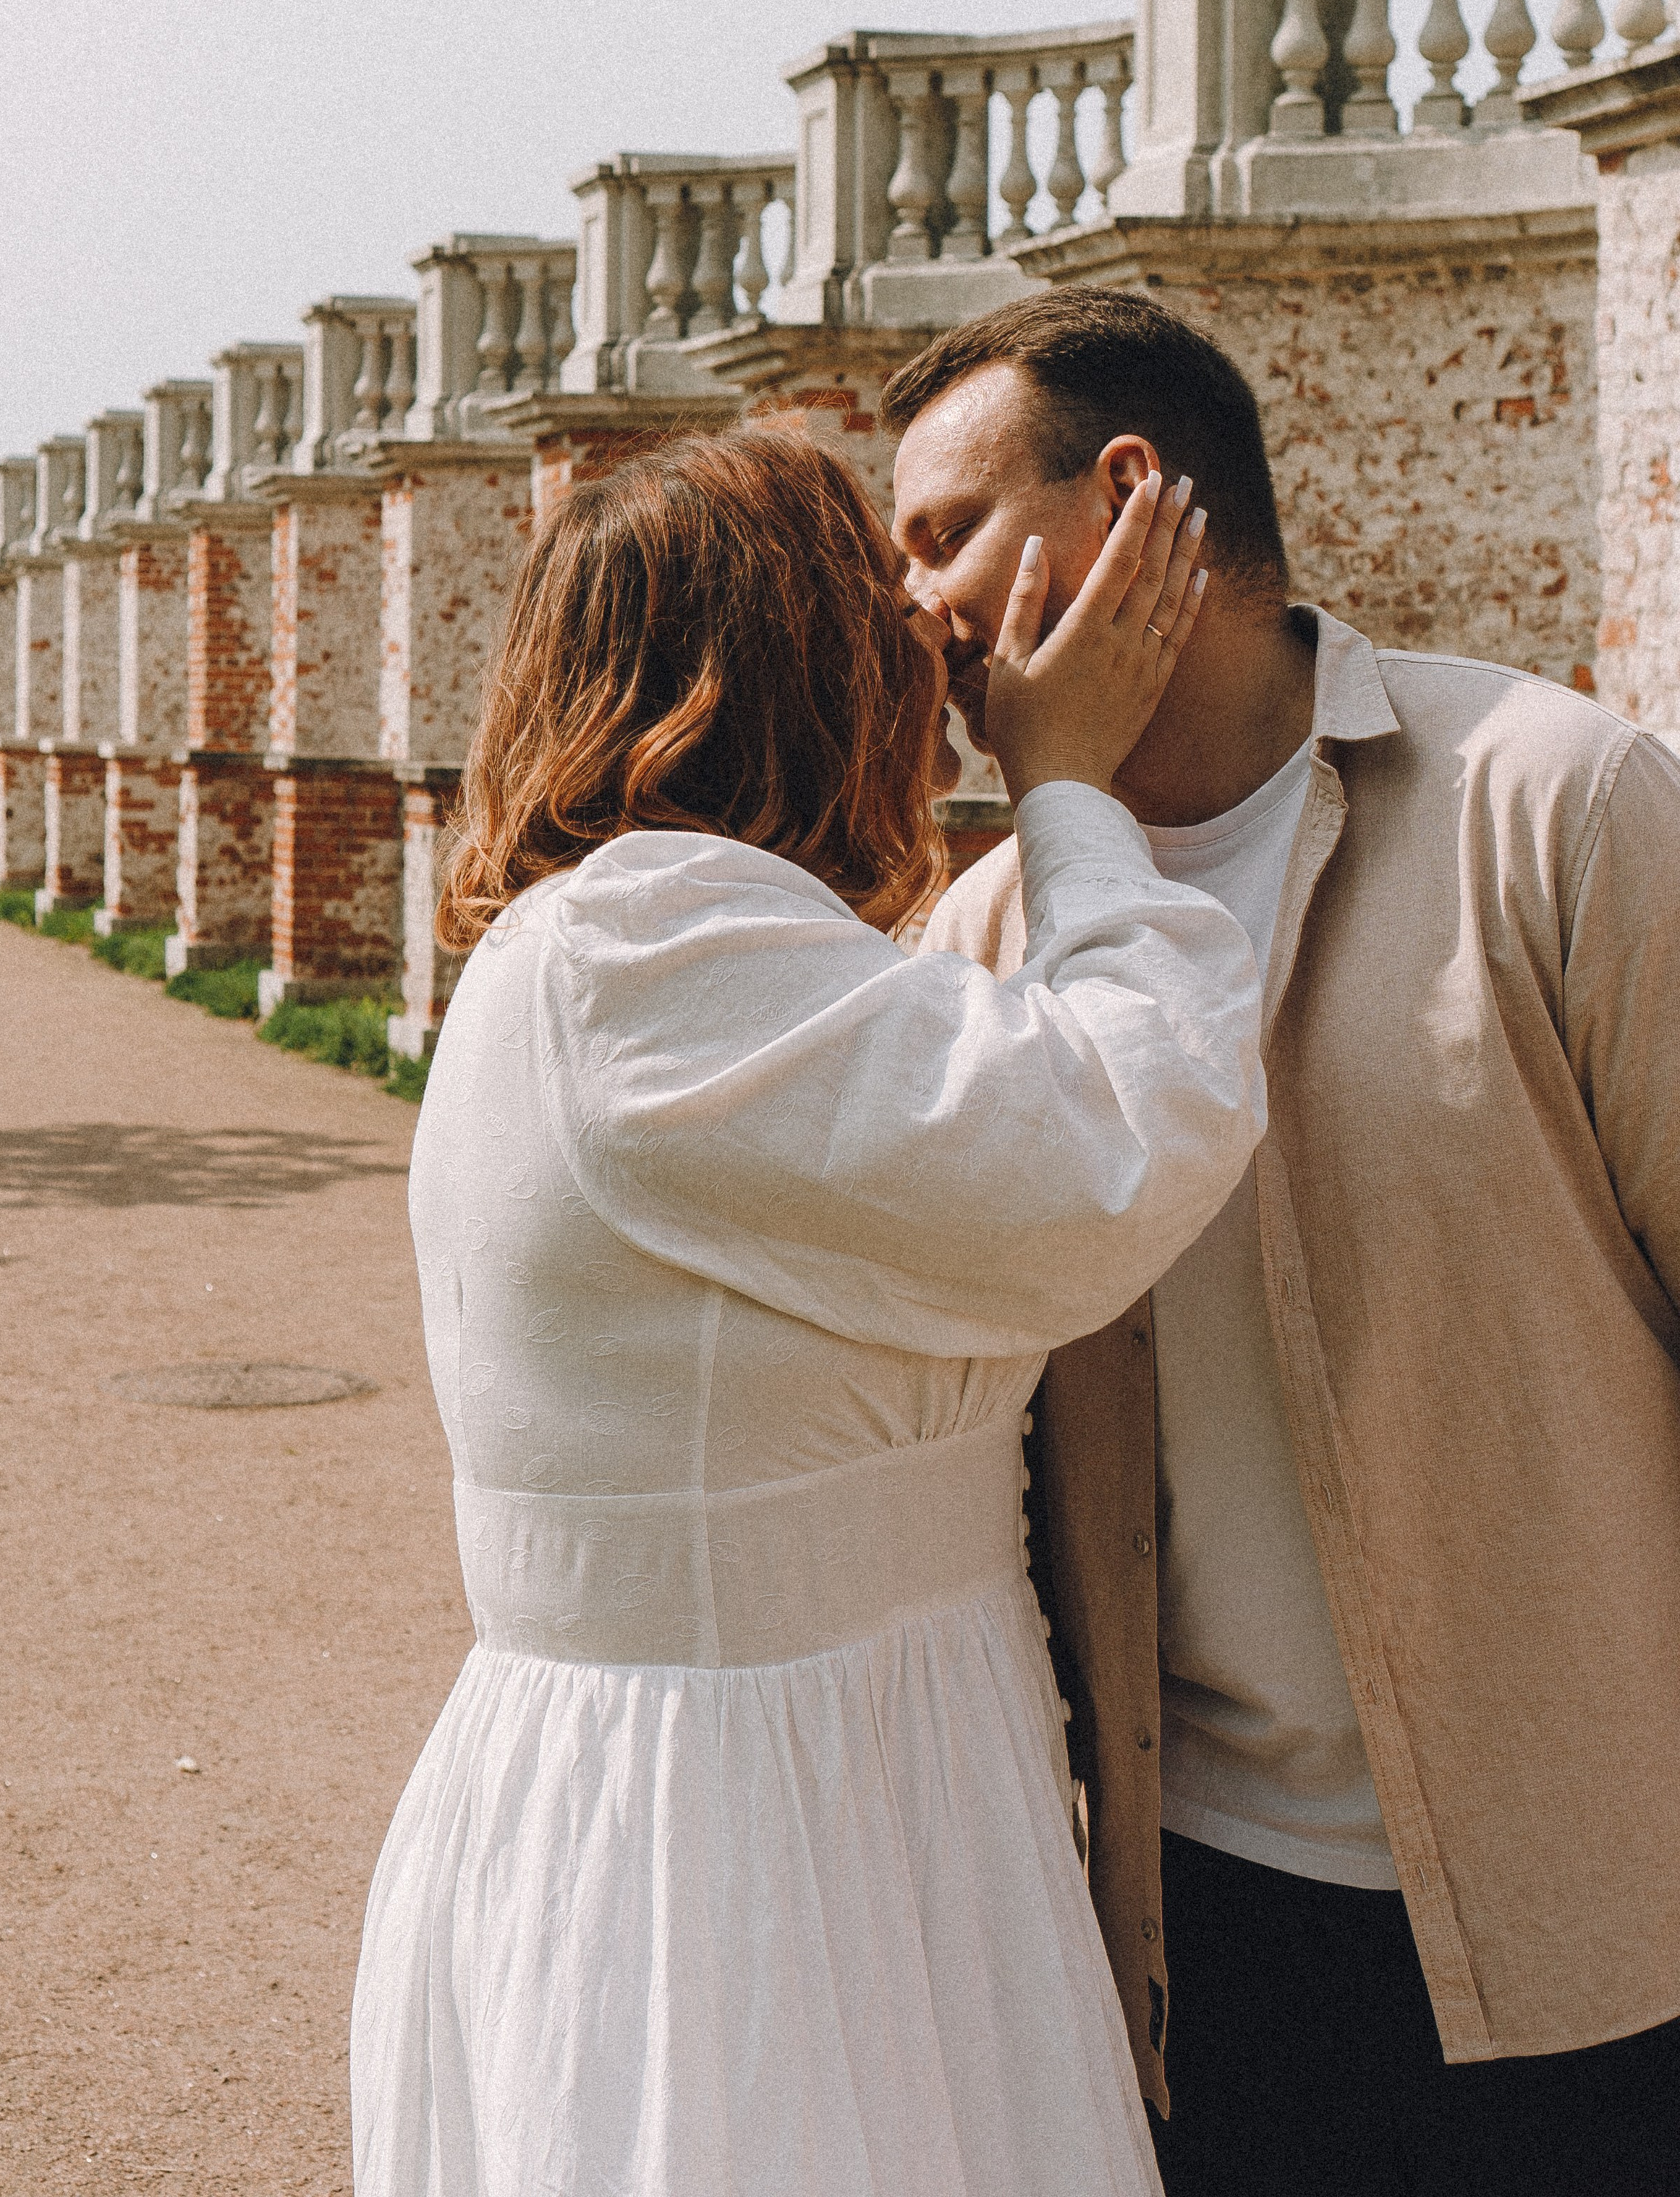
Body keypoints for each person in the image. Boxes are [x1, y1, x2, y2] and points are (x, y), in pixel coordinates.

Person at [351, 425, 1265, 2197]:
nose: (933, 645)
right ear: (789, 669)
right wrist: (1063, 791)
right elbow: (1117, 1134)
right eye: (883, 605)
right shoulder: (655, 954)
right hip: (745, 1862)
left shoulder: (652, 950)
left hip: (813, 1790)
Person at [886, 287, 1680, 2197]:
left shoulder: (1553, 805)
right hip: (1192, 1939)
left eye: (945, 535)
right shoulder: (976, 943)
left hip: (1606, 1914)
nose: (912, 606)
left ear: (1135, 495)